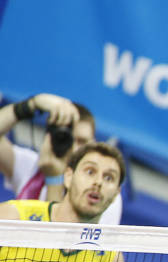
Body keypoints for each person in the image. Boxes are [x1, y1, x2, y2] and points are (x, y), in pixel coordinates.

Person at [0, 94, 123, 225]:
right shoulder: (34, 166)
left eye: (82, 141)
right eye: (67, 139)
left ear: (93, 144)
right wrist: (31, 104)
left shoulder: (103, 193)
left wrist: (54, 179)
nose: (74, 148)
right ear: (50, 137)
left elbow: (57, 241)